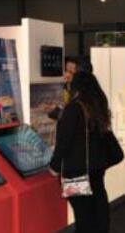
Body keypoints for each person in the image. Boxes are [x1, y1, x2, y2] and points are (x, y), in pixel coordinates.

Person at [50, 72, 113, 233]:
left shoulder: (74, 108)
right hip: (96, 170)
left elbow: (64, 142)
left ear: (76, 87)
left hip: (77, 173)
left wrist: (54, 166)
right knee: (98, 211)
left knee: (83, 217)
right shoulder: (98, 107)